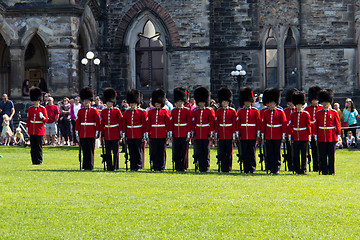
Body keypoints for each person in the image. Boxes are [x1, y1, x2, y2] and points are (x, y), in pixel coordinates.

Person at [314, 89, 341, 175]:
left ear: (329, 102)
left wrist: (338, 135)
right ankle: (324, 170)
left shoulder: (334, 112)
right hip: (321, 136)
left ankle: (331, 171)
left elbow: (337, 125)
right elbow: (316, 125)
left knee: (331, 155)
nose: (325, 104)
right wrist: (315, 135)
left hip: (331, 136)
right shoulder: (318, 113)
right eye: (323, 102)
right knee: (322, 155)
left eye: (326, 102)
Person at [261, 88, 287, 175]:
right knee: (270, 152)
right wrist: (263, 135)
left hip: (277, 135)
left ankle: (277, 168)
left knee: (277, 153)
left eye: (273, 102)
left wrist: (283, 136)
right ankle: (270, 168)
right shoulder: (266, 112)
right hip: (269, 135)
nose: (271, 104)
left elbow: (283, 124)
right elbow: (264, 124)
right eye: (270, 102)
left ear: (276, 102)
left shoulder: (280, 112)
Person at [236, 87, 261, 174]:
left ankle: (252, 168)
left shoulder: (255, 111)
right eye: (245, 101)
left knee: (252, 152)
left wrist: (258, 133)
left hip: (252, 134)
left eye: (248, 101)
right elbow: (238, 123)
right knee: (245, 152)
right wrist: (237, 133)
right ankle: (246, 168)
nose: (247, 103)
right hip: (243, 134)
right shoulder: (240, 112)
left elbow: (258, 123)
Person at [75, 87, 101, 170]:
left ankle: (90, 165)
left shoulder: (94, 111)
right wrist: (77, 133)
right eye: (85, 100)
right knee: (84, 150)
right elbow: (78, 123)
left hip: (91, 133)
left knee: (90, 150)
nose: (86, 102)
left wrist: (97, 133)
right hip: (83, 133)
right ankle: (85, 165)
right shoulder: (80, 111)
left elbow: (98, 123)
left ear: (90, 101)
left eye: (87, 100)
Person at [145, 89, 171, 171]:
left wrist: (168, 134)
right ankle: (155, 166)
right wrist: (147, 133)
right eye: (156, 103)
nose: (157, 104)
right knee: (154, 151)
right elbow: (148, 123)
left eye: (158, 103)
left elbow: (168, 123)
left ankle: (162, 166)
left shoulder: (165, 111)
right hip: (153, 134)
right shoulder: (151, 112)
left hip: (162, 134)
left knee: (162, 151)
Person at [192, 86, 215, 172]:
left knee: (206, 151)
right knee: (199, 151)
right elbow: (193, 123)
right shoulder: (195, 111)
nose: (201, 104)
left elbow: (211, 123)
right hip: (198, 133)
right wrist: (193, 132)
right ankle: (200, 166)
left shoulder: (209, 110)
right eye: (200, 102)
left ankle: (206, 167)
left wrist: (210, 133)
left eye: (202, 102)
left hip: (205, 133)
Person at [123, 89, 147, 171]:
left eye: (134, 103)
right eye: (131, 103)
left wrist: (144, 135)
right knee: (131, 151)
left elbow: (144, 124)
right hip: (130, 134)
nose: (132, 105)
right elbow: (124, 124)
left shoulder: (141, 112)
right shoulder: (126, 113)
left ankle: (138, 165)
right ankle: (132, 166)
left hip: (138, 134)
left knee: (138, 151)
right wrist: (124, 134)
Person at [288, 91, 311, 174]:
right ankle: (297, 168)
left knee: (304, 154)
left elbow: (308, 126)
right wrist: (290, 136)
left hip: (304, 136)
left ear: (302, 105)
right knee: (296, 154)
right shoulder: (293, 114)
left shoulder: (306, 114)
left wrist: (309, 136)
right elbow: (291, 125)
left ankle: (303, 169)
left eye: (300, 105)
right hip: (296, 136)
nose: (298, 106)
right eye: (297, 105)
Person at [169, 87, 192, 172]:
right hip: (176, 133)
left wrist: (188, 134)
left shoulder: (187, 111)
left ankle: (184, 166)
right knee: (176, 151)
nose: (179, 103)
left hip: (184, 133)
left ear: (183, 102)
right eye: (178, 102)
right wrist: (171, 134)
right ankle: (177, 166)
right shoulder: (173, 111)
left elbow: (189, 123)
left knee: (184, 151)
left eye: (180, 102)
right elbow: (171, 123)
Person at [100, 88, 123, 171]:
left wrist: (120, 133)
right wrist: (102, 132)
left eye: (110, 102)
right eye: (108, 102)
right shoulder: (103, 111)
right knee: (108, 151)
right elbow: (102, 122)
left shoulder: (117, 111)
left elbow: (120, 122)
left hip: (115, 133)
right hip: (107, 133)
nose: (109, 103)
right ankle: (109, 166)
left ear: (113, 102)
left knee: (115, 152)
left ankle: (116, 166)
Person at [215, 87, 237, 172]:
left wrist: (234, 134)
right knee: (222, 152)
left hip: (229, 134)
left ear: (228, 102)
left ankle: (229, 167)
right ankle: (223, 167)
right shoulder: (219, 111)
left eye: (226, 101)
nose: (224, 103)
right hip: (221, 134)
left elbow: (234, 123)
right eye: (223, 101)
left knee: (229, 152)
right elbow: (217, 123)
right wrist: (216, 133)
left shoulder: (232, 111)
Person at [26, 87, 49, 165]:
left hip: (39, 129)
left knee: (38, 146)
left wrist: (43, 118)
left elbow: (46, 119)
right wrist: (27, 128)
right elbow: (28, 119)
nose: (35, 102)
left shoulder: (43, 109)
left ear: (39, 100)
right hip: (32, 129)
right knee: (33, 146)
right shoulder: (30, 109)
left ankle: (39, 160)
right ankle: (34, 160)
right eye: (34, 100)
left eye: (37, 100)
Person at [304, 86, 323, 172]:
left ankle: (321, 165)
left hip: (320, 133)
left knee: (321, 150)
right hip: (311, 133)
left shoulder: (322, 109)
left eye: (316, 99)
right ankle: (315, 166)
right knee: (313, 151)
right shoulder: (307, 109)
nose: (314, 101)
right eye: (313, 99)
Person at [283, 88, 298, 171]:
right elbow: (285, 124)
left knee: (296, 151)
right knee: (289, 151)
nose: (291, 103)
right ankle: (290, 166)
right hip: (288, 134)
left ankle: (296, 165)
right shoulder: (285, 111)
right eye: (289, 102)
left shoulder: (297, 111)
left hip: (296, 134)